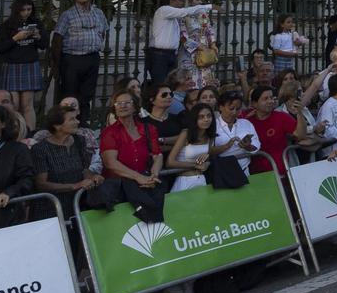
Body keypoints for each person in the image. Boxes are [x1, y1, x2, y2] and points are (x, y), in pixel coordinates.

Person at [87, 90, 167, 224]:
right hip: (119, 191)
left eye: (127, 103)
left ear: (135, 106)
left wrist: (153, 174)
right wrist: (139, 177)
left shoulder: (149, 129)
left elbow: (157, 155)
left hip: (144, 186)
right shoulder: (110, 132)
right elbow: (110, 163)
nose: (122, 106)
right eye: (118, 103)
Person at [52, 0, 110, 116]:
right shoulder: (67, 14)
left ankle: (83, 124)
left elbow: (103, 32)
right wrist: (56, 63)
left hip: (92, 58)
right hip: (72, 59)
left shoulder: (99, 13)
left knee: (87, 94)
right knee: (70, 95)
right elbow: (57, 39)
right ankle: (68, 122)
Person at [30, 104, 101, 206]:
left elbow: (84, 169)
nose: (77, 122)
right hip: (51, 207)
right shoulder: (40, 149)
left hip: (77, 203)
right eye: (72, 119)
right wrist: (75, 186)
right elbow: (41, 184)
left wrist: (93, 177)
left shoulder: (79, 141)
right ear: (57, 125)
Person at [0, 0, 47, 130]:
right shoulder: (7, 25)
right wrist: (16, 38)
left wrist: (38, 36)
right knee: (14, 104)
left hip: (29, 64)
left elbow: (44, 45)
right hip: (12, 65)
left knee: (28, 105)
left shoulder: (37, 23)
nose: (26, 12)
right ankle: (14, 132)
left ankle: (30, 133)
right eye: (23, 10)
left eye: (29, 9)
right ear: (17, 10)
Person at [147, 0, 216, 86]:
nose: (181, 3)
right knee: (162, 83)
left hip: (186, 52)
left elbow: (209, 29)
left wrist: (212, 43)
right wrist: (196, 46)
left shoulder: (202, 16)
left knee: (170, 83)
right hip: (184, 52)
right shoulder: (168, 11)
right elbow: (183, 36)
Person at [211, 90, 261, 187]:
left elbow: (257, 146)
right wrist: (226, 146)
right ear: (221, 107)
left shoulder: (246, 124)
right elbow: (207, 151)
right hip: (222, 173)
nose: (234, 112)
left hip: (245, 170)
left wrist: (248, 147)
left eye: (238, 109)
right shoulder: (213, 126)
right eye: (231, 108)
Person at [246, 86, 299, 176]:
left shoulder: (282, 117)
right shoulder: (246, 122)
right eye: (265, 99)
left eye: (271, 98)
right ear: (254, 104)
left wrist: (300, 114)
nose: (270, 101)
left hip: (281, 175)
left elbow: (300, 135)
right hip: (256, 176)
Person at [167, 105, 217, 192]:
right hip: (185, 182)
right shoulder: (186, 134)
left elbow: (207, 159)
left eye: (209, 116)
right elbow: (170, 162)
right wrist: (195, 165)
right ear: (194, 119)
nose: (206, 119)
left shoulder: (210, 136)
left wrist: (207, 163)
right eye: (201, 117)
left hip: (201, 180)